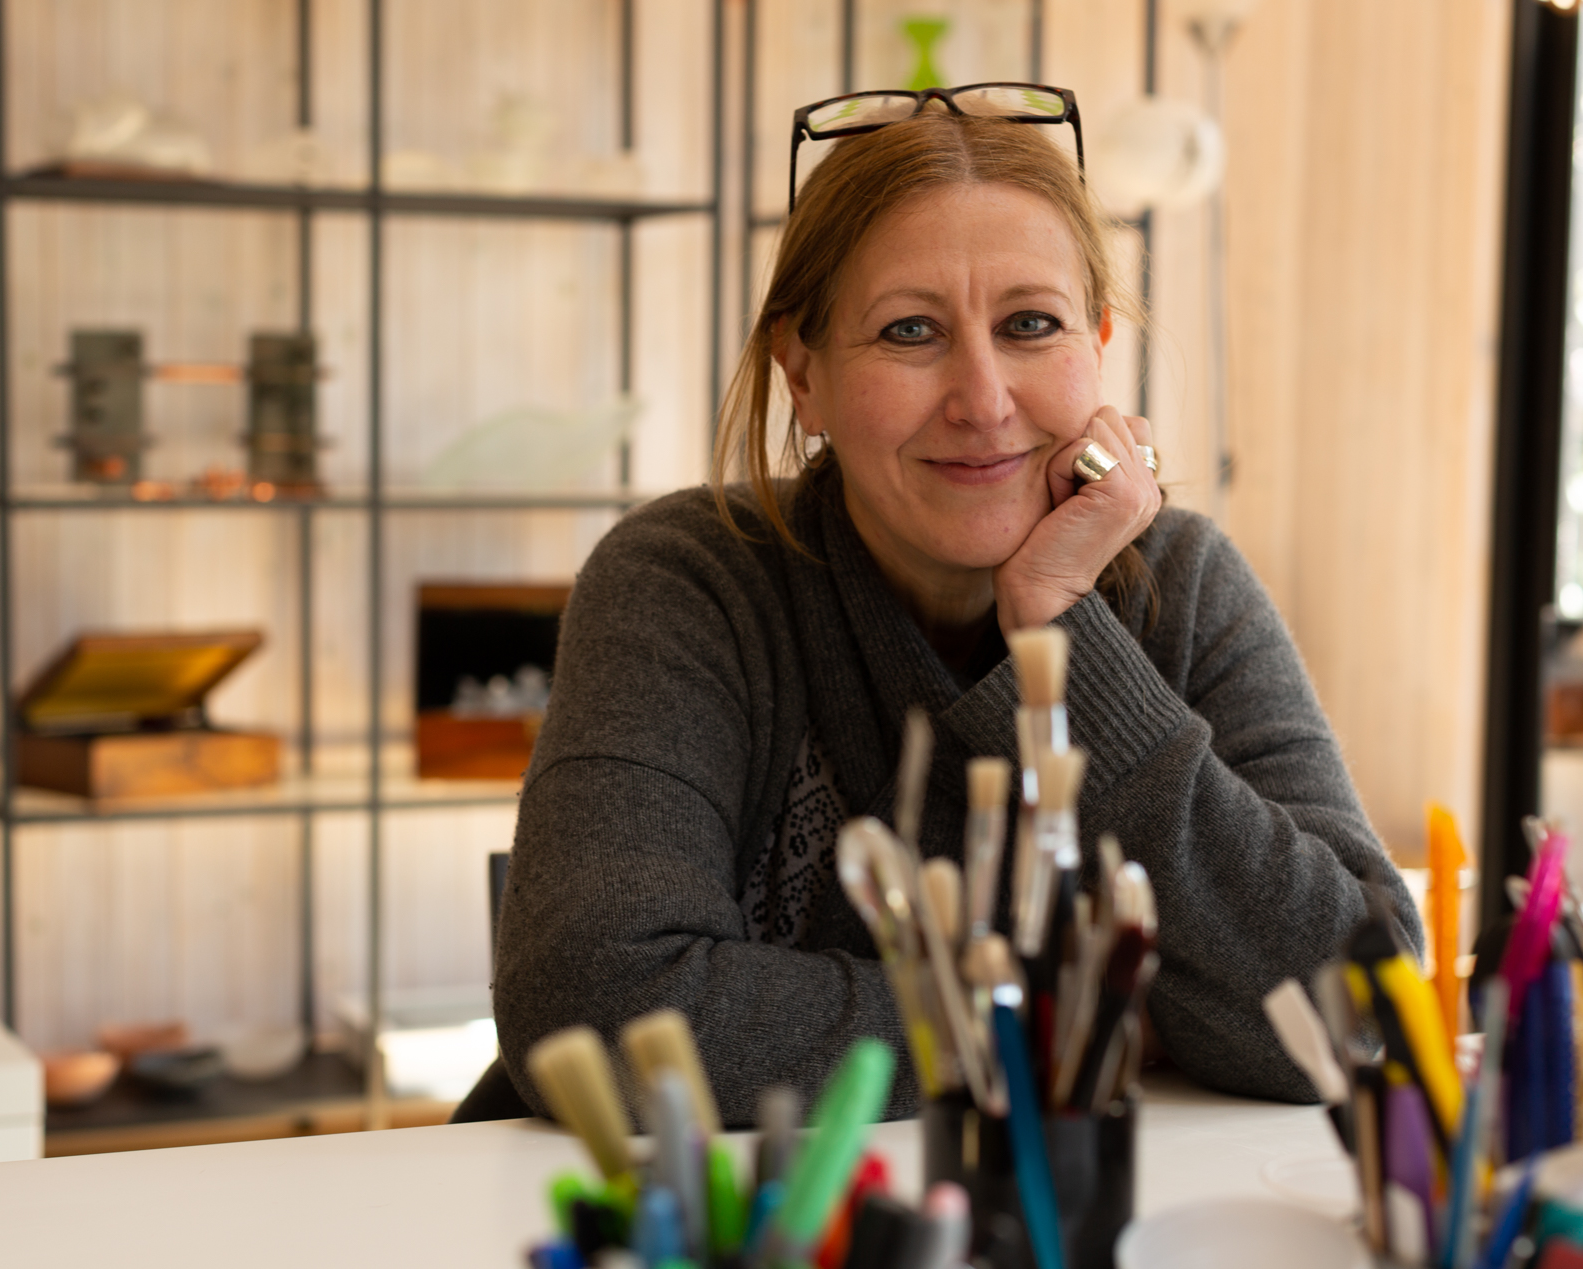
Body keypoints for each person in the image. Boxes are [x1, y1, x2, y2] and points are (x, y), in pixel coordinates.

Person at [487, 95, 1420, 1126]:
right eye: (909, 332)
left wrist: (1059, 635)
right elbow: (599, 1016)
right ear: (804, 375)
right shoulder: (689, 582)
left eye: (1030, 325)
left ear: (1097, 345)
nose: (981, 400)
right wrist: (1069, 1022)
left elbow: (1362, 1011)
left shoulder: (1181, 585)